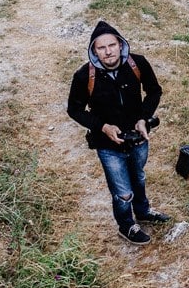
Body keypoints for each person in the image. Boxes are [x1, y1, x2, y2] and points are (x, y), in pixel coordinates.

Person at [67, 20, 169, 244]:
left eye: (112, 45)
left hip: (139, 139)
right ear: (94, 50)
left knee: (138, 177)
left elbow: (154, 91)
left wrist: (143, 118)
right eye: (101, 48)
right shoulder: (85, 76)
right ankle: (127, 225)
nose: (108, 51)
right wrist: (103, 127)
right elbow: (74, 110)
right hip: (108, 146)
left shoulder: (137, 63)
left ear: (120, 45)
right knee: (122, 191)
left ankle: (143, 212)